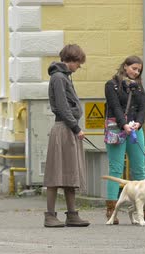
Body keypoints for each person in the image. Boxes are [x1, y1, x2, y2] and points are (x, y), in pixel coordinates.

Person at [42, 44, 90, 228]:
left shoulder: (64, 77)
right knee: (56, 173)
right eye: (79, 63)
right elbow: (62, 107)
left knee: (71, 173)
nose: (79, 67)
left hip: (68, 128)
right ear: (72, 60)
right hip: (63, 128)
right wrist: (76, 128)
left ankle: (72, 214)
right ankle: (50, 215)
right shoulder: (59, 78)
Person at [104, 56, 145, 224]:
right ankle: (111, 209)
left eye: (139, 70)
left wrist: (138, 123)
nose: (136, 72)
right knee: (116, 168)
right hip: (117, 129)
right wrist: (124, 125)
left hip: (135, 129)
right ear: (125, 66)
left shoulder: (138, 87)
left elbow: (142, 108)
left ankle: (143, 210)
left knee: (139, 169)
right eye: (133, 68)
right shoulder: (112, 85)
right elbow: (115, 106)